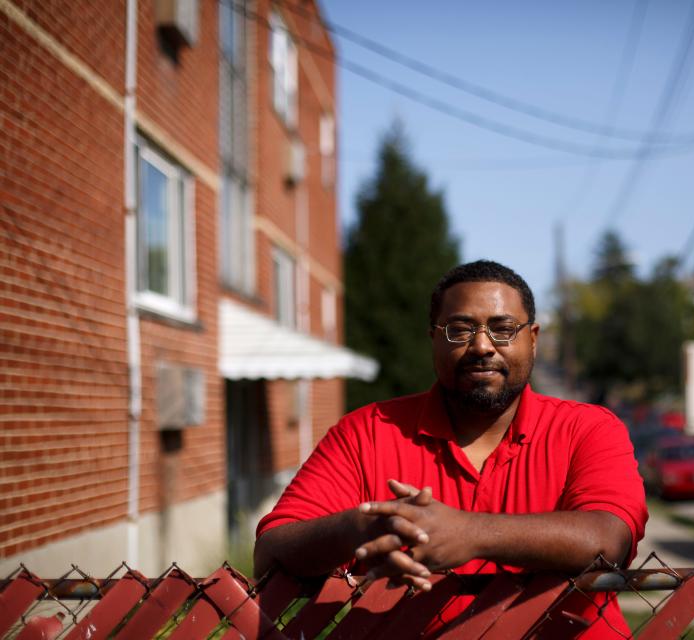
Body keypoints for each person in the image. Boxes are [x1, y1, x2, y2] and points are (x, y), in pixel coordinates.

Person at [255, 260, 648, 637]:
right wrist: (364, 527)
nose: (482, 346)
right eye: (459, 329)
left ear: (533, 338)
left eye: (503, 329)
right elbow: (271, 552)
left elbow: (609, 537)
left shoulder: (588, 428)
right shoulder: (367, 432)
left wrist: (469, 534)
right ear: (433, 339)